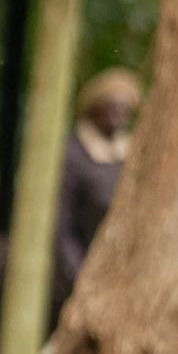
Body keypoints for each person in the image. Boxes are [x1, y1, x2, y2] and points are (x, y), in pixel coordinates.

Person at [53, 67, 137, 306]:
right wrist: (78, 276)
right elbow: (62, 227)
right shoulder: (73, 155)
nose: (119, 115)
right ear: (95, 109)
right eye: (112, 107)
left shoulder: (130, 151)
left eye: (125, 109)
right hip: (83, 265)